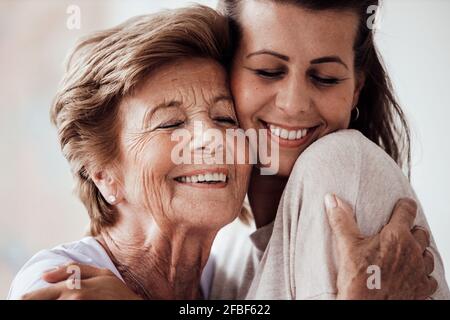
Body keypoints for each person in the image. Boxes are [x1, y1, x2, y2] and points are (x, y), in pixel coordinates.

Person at [16, 4, 446, 300]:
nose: (212, 139)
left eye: (225, 119)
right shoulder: (64, 281)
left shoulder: (221, 281)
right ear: (103, 173)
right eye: (169, 123)